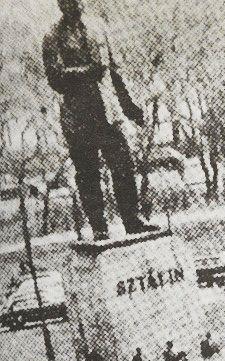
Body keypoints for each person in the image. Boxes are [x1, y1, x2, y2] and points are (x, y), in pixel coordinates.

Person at [42, 0, 159, 240]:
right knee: (88, 172)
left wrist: (129, 106)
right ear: (61, 4)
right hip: (77, 113)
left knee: (123, 165)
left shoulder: (97, 27)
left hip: (106, 110)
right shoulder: (53, 37)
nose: (75, 4)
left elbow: (113, 71)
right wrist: (85, 72)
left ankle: (132, 220)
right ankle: (99, 228)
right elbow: (55, 78)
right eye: (68, 1)